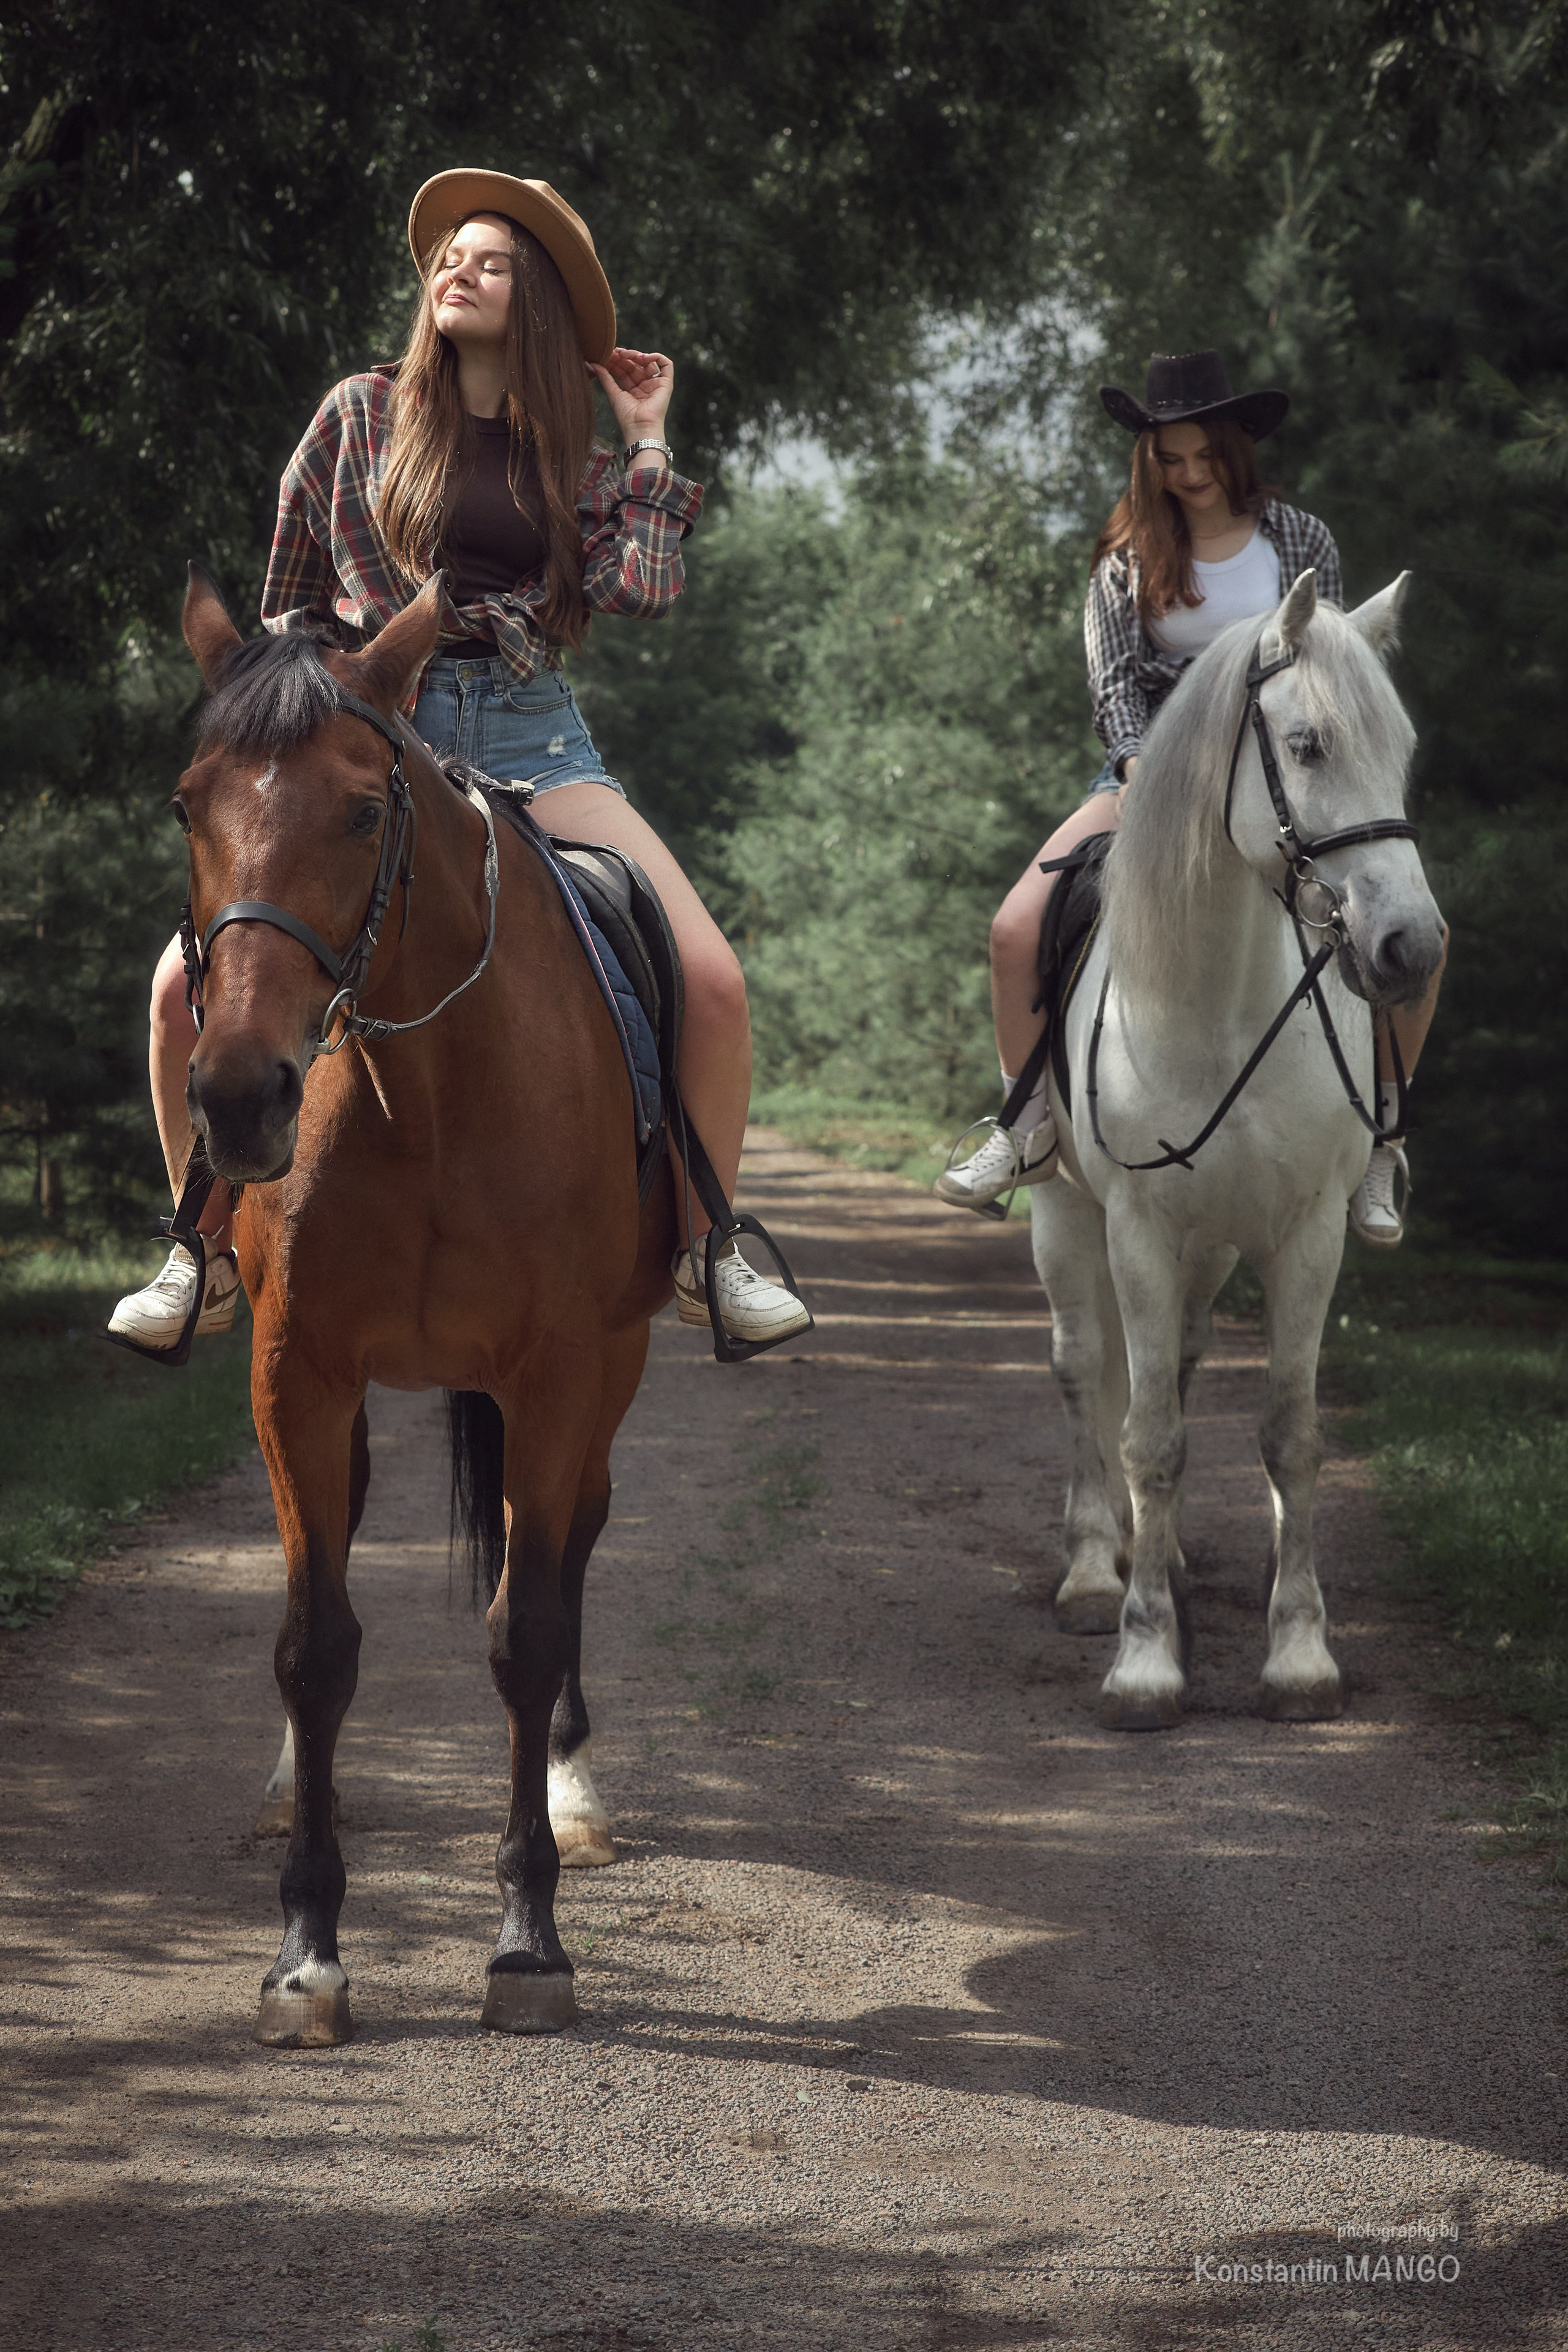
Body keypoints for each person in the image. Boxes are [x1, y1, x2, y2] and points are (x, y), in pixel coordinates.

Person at [110, 168, 809, 1351]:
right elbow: (287, 599)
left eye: (488, 258)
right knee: (185, 988)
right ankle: (200, 1253)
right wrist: (311, 714)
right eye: (448, 254)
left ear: (531, 295)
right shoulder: (357, 414)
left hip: (536, 733)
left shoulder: (573, 451)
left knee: (715, 980)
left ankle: (711, 1249)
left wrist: (647, 445)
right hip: (369, 741)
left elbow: (640, 589)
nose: (457, 268)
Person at [933, 348, 1444, 1246]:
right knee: (1017, 925)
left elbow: (1332, 670)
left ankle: (1379, 1139)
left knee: (1410, 930)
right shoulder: (1126, 558)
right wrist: (1140, 773)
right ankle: (1026, 1127)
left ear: (1234, 446)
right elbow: (1115, 693)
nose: (1191, 473)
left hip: (1292, 772)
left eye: (1204, 453)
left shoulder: (1302, 541)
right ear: (1151, 461)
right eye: (1170, 458)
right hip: (1156, 778)